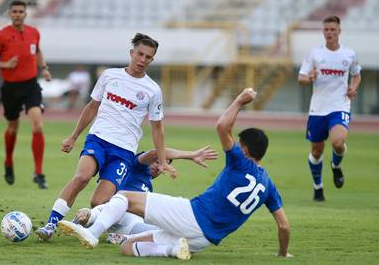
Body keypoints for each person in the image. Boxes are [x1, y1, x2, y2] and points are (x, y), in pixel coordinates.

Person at [58, 88, 292, 260]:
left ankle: (91, 233)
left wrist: (240, 100)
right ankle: (170, 249)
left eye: (238, 144)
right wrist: (283, 254)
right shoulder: (268, 186)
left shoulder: (240, 162)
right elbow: (283, 226)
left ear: (245, 149)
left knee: (124, 197)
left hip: (192, 216)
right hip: (204, 241)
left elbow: (222, 126)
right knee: (127, 247)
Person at [36, 33, 176, 241]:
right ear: (132, 53)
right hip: (99, 139)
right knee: (82, 176)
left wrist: (163, 162)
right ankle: (51, 224)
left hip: (124, 151)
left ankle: (98, 225)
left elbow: (158, 128)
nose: (142, 60)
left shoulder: (153, 90)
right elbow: (92, 107)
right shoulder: (110, 75)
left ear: (152, 60)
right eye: (140, 54)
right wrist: (73, 137)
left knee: (99, 202)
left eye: (148, 57)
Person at [72, 146, 218, 239]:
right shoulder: (137, 166)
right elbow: (155, 152)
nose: (157, 167)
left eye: (162, 164)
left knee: (164, 231)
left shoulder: (148, 186)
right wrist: (191, 155)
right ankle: (86, 217)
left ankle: (121, 237)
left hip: (128, 222)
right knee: (117, 203)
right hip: (114, 210)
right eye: (157, 162)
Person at [0, 0, 52, 189]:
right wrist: (5, 64)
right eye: (14, 11)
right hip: (11, 88)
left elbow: (37, 50)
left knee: (37, 126)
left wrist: (44, 68)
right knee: (12, 128)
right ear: (9, 14)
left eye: (21, 11)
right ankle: (8, 162)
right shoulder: (2, 35)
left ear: (26, 13)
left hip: (31, 85)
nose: (17, 14)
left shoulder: (33, 32)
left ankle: (39, 173)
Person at [298, 15, 361, 201]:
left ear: (339, 31)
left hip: (340, 105)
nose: (329, 33)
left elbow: (357, 75)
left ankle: (336, 165)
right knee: (317, 151)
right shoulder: (314, 54)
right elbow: (301, 78)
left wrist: (353, 88)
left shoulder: (349, 54)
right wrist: (310, 78)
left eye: (333, 29)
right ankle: (318, 187)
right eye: (326, 29)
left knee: (338, 143)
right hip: (318, 109)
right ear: (323, 31)